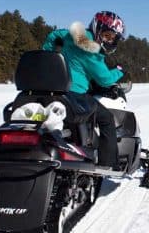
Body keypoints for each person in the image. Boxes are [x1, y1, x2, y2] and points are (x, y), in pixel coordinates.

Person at [42, 11, 127, 169]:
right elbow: (105, 79)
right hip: (73, 94)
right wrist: (120, 70)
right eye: (107, 35)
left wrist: (50, 55)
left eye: (113, 38)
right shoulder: (91, 51)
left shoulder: (71, 35)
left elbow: (53, 36)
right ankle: (108, 164)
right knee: (106, 119)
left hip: (50, 89)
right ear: (97, 28)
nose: (109, 40)